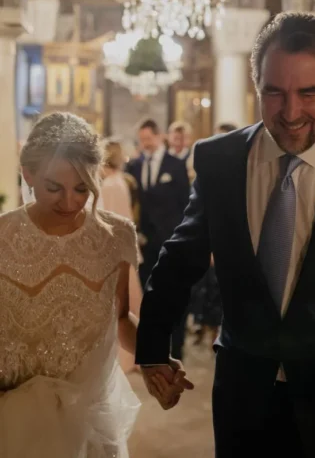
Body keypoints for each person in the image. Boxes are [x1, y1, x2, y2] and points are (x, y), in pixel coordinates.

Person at [136, 12, 315, 458]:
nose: (291, 113)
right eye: (274, 92)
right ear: (257, 85)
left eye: (308, 93)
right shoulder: (218, 160)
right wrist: (153, 348)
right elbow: (180, 259)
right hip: (243, 404)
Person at [0, 112, 158, 457]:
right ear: (28, 173)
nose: (70, 202)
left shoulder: (115, 235)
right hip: (10, 420)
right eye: (54, 187)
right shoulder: (2, 237)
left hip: (88, 422)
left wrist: (154, 359)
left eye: (82, 188)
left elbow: (120, 318)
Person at [125, 119, 190, 287]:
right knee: (145, 282)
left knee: (169, 283)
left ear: (159, 136)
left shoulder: (175, 164)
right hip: (143, 237)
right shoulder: (134, 166)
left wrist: (182, 234)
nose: (145, 143)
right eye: (142, 139)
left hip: (169, 234)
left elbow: (185, 201)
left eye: (148, 138)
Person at [101, 140, 144, 374]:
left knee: (121, 306)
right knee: (131, 302)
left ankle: (125, 357)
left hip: (115, 250)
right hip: (124, 248)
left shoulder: (110, 185)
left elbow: (108, 219)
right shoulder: (120, 181)